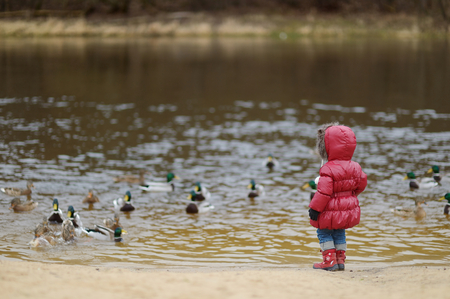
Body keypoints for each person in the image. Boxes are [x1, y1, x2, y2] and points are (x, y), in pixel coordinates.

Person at [308, 122, 367, 271]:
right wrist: (350, 196)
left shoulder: (327, 168)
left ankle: (329, 261)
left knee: (324, 232)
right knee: (340, 232)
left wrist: (314, 209)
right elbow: (362, 183)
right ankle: (340, 261)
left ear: (327, 147)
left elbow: (324, 192)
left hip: (328, 209)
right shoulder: (355, 166)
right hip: (346, 209)